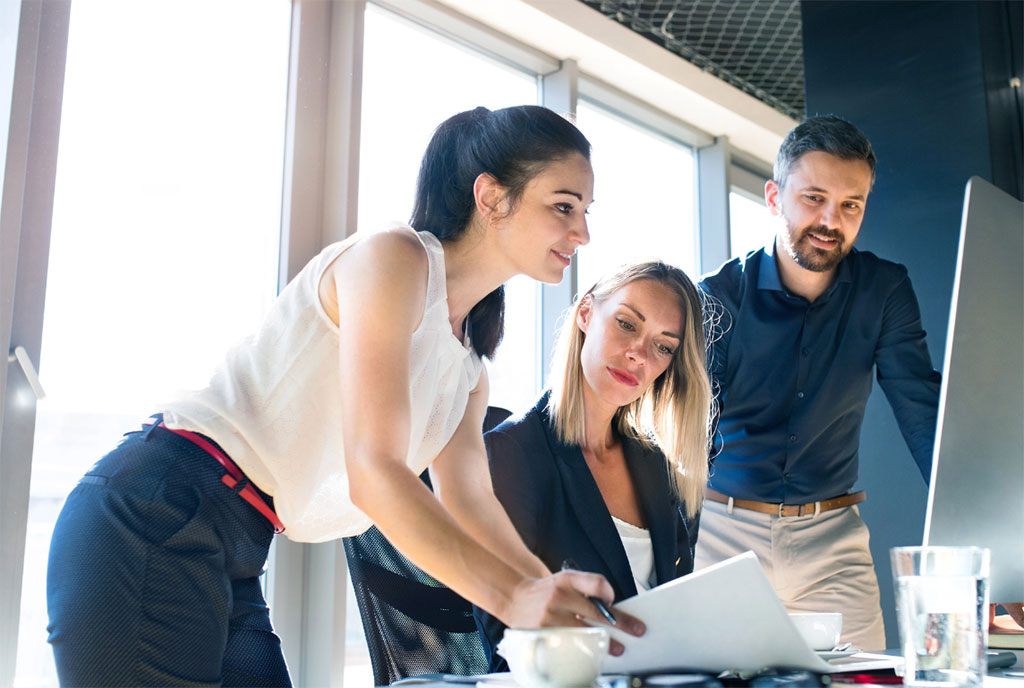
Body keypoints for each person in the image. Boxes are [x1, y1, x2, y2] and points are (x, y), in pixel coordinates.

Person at [45, 105, 645, 687]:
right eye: (564, 206)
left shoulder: (467, 367)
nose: (583, 233)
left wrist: (555, 600)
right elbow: (374, 471)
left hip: (239, 542)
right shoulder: (394, 259)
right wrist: (517, 599)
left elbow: (472, 503)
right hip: (157, 507)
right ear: (491, 198)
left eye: (586, 210)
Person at [695, 115, 942, 652]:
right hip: (720, 534)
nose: (831, 220)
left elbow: (922, 410)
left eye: (850, 204)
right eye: (813, 198)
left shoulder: (885, 289)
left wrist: (976, 524)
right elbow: (692, 432)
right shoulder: (717, 295)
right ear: (774, 197)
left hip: (833, 541)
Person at [475, 260, 714, 671]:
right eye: (626, 324)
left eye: (663, 346)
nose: (638, 354)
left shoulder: (656, 467)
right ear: (586, 313)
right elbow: (504, 634)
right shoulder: (510, 453)